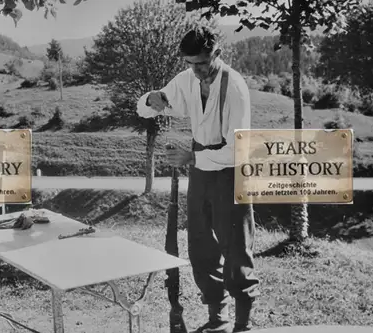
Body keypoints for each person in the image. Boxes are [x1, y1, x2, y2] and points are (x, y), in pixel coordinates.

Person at [136, 26, 260, 333]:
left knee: (236, 245)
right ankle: (218, 316)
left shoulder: (235, 88)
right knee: (201, 243)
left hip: (231, 170)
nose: (197, 70)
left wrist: (192, 158)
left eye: (203, 63)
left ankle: (243, 323)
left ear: (217, 54)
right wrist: (152, 99)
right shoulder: (187, 78)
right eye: (190, 64)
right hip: (201, 170)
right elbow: (150, 107)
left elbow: (237, 150)